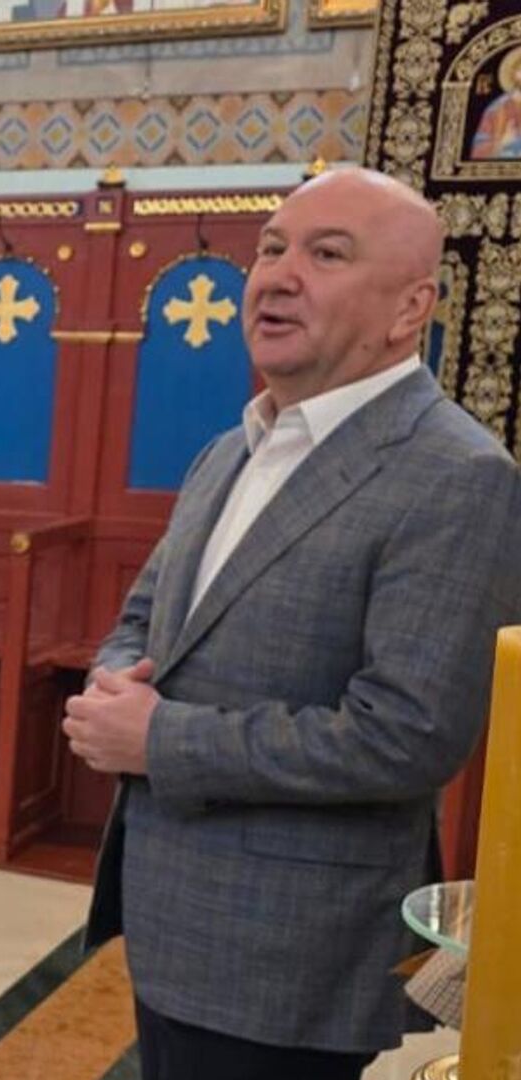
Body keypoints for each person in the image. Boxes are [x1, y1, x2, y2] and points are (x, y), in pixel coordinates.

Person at [68, 166, 521, 1080]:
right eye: (271, 248)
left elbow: (409, 735)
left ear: (409, 309)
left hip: (288, 953)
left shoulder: (455, 475)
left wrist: (160, 739)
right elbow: (147, 618)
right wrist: (115, 682)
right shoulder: (229, 449)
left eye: (327, 254)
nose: (278, 275)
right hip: (167, 917)